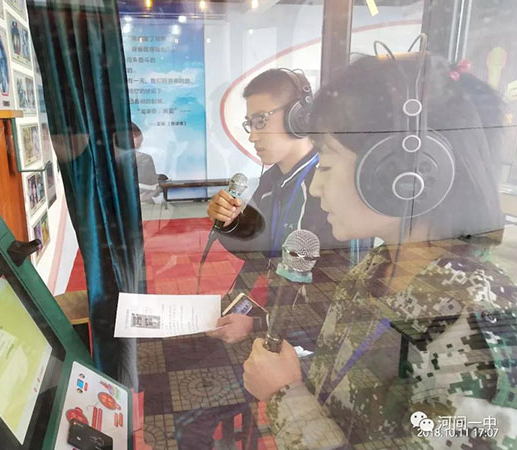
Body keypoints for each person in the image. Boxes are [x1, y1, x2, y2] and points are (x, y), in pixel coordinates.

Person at [242, 52, 517, 449]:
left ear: (396, 174)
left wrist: (285, 396)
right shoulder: (375, 269)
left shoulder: (477, 329)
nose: (316, 188)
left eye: (327, 165)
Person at [207, 68, 344, 344]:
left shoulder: (330, 189)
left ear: (300, 117)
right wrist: (231, 223)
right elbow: (258, 253)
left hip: (312, 340)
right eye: (250, 124)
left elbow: (334, 299)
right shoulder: (271, 181)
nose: (253, 136)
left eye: (261, 121)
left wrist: (258, 325)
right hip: (277, 318)